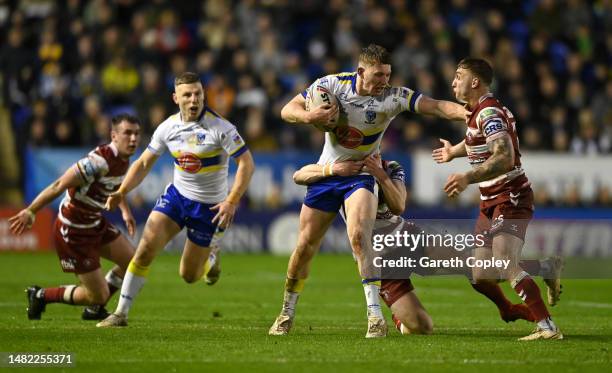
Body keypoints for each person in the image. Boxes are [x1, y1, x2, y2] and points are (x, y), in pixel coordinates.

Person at [269, 44, 468, 338]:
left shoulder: (392, 97)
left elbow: (437, 106)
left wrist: (472, 114)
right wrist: (309, 117)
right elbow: (287, 110)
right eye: (378, 76)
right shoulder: (331, 85)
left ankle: (375, 318)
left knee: (359, 237)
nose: (384, 82)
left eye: (387, 75)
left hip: (361, 173)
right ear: (361, 71)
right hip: (328, 173)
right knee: (304, 246)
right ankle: (286, 313)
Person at [293, 155, 563, 335]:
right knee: (422, 327)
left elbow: (399, 204)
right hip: (380, 263)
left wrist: (380, 175)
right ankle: (401, 316)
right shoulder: (338, 167)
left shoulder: (391, 166)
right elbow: (299, 174)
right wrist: (330, 170)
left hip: (409, 241)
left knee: (478, 268)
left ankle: (525, 287)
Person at [97, 72, 255, 327]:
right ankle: (120, 313)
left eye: (198, 95)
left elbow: (246, 163)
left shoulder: (222, 128)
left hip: (209, 208)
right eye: (188, 95)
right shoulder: (168, 127)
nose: (194, 100)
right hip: (177, 198)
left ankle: (210, 257)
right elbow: (144, 162)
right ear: (176, 98)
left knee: (189, 275)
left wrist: (232, 200)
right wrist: (122, 191)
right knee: (146, 247)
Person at [434, 58, 562, 340]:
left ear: (475, 82)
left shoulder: (489, 112)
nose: (454, 82)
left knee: (505, 260)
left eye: (459, 76)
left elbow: (504, 156)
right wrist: (452, 153)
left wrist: (466, 178)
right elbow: (475, 142)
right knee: (481, 275)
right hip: (490, 201)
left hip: (510, 195)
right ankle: (545, 267)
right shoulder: (477, 112)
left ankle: (547, 326)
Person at [9, 114, 141, 321]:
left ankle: (95, 309)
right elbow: (59, 185)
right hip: (74, 230)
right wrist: (31, 210)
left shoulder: (124, 160)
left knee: (132, 262)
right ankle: (41, 295)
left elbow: (113, 187)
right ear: (114, 136)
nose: (133, 139)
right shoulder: (97, 161)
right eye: (127, 133)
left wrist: (125, 210)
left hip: (94, 222)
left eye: (136, 134)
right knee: (96, 295)